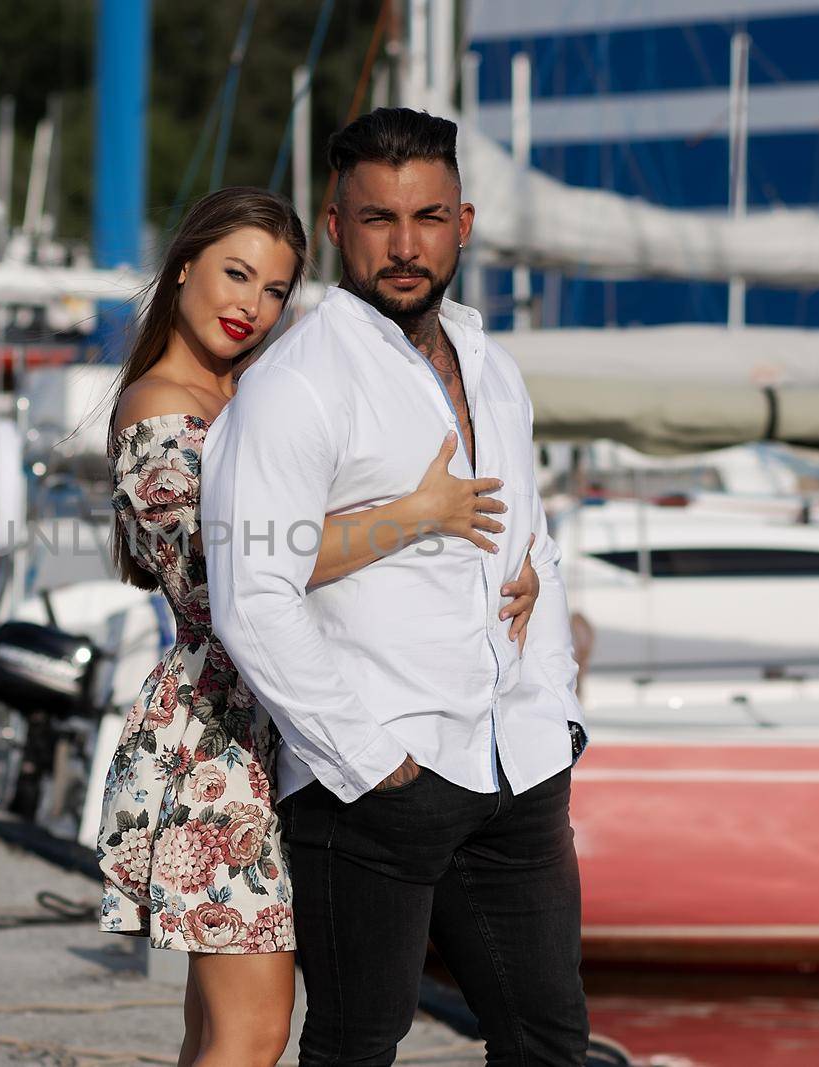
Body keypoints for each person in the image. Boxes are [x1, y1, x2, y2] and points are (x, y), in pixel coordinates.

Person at [96, 185, 542, 1067]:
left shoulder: (251, 397)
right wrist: (419, 513)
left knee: (218, 1032)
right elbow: (240, 564)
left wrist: (516, 570)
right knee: (252, 1034)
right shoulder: (160, 407)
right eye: (234, 274)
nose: (249, 306)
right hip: (222, 743)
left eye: (272, 290)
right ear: (182, 266)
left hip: (284, 728)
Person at [201, 109, 591, 1066]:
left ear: (464, 220)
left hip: (517, 767)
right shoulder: (299, 381)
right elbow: (253, 591)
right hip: (376, 781)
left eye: (426, 217)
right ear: (336, 228)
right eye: (378, 219)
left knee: (549, 1042)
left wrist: (556, 709)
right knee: (357, 1045)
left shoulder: (493, 368)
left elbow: (531, 543)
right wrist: (370, 761)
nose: (404, 245)